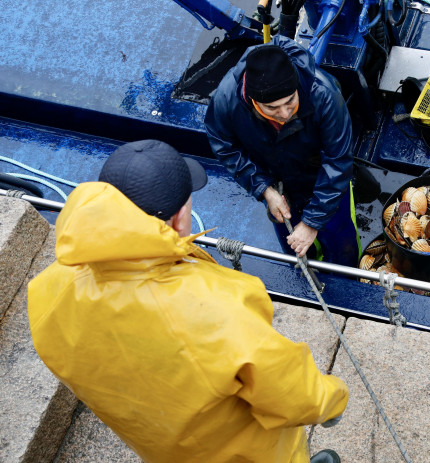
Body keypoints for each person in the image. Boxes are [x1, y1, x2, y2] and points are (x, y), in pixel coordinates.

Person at [27, 140, 348, 463]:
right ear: (180, 219)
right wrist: (332, 400)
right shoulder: (215, 307)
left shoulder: (45, 292)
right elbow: (290, 391)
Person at [205, 35, 359, 267]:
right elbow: (225, 147)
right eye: (272, 108)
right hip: (277, 188)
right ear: (252, 100)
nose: (285, 114)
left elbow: (337, 162)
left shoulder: (325, 95)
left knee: (341, 242)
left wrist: (311, 223)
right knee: (293, 249)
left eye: (290, 102)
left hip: (325, 182)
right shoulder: (226, 100)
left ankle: (347, 275)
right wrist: (264, 189)